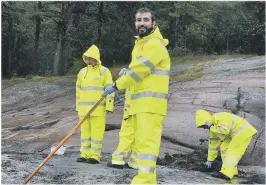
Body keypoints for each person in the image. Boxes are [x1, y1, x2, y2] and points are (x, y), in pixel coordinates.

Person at [103, 8, 171, 184]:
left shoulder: (154, 44)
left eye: (146, 20)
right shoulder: (141, 44)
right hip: (140, 105)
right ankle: (148, 180)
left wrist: (116, 85)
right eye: (139, 20)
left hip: (151, 105)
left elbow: (138, 72)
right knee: (142, 145)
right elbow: (136, 71)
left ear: (153, 23)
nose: (142, 23)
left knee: (147, 145)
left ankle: (143, 180)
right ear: (135, 23)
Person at [76, 44, 114, 164]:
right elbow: (78, 90)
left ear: (96, 58)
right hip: (83, 109)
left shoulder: (104, 72)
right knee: (85, 133)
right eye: (86, 58)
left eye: (90, 58)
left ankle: (95, 156)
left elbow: (110, 88)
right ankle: (84, 154)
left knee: (97, 133)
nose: (88, 60)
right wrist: (78, 107)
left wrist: (109, 105)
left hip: (98, 109)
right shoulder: (82, 72)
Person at [195, 109, 258, 180]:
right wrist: (210, 160)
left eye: (204, 125)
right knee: (224, 147)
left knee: (233, 151)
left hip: (243, 131)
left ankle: (226, 173)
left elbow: (224, 131)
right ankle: (232, 171)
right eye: (202, 126)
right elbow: (212, 146)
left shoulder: (220, 117)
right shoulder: (213, 129)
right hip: (233, 134)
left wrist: (211, 127)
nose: (204, 128)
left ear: (207, 120)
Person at [107, 68, 138, 170]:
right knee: (138, 135)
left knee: (126, 134)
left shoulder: (137, 71)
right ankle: (134, 161)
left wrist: (117, 84)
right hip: (141, 109)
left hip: (131, 110)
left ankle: (118, 159)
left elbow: (128, 80)